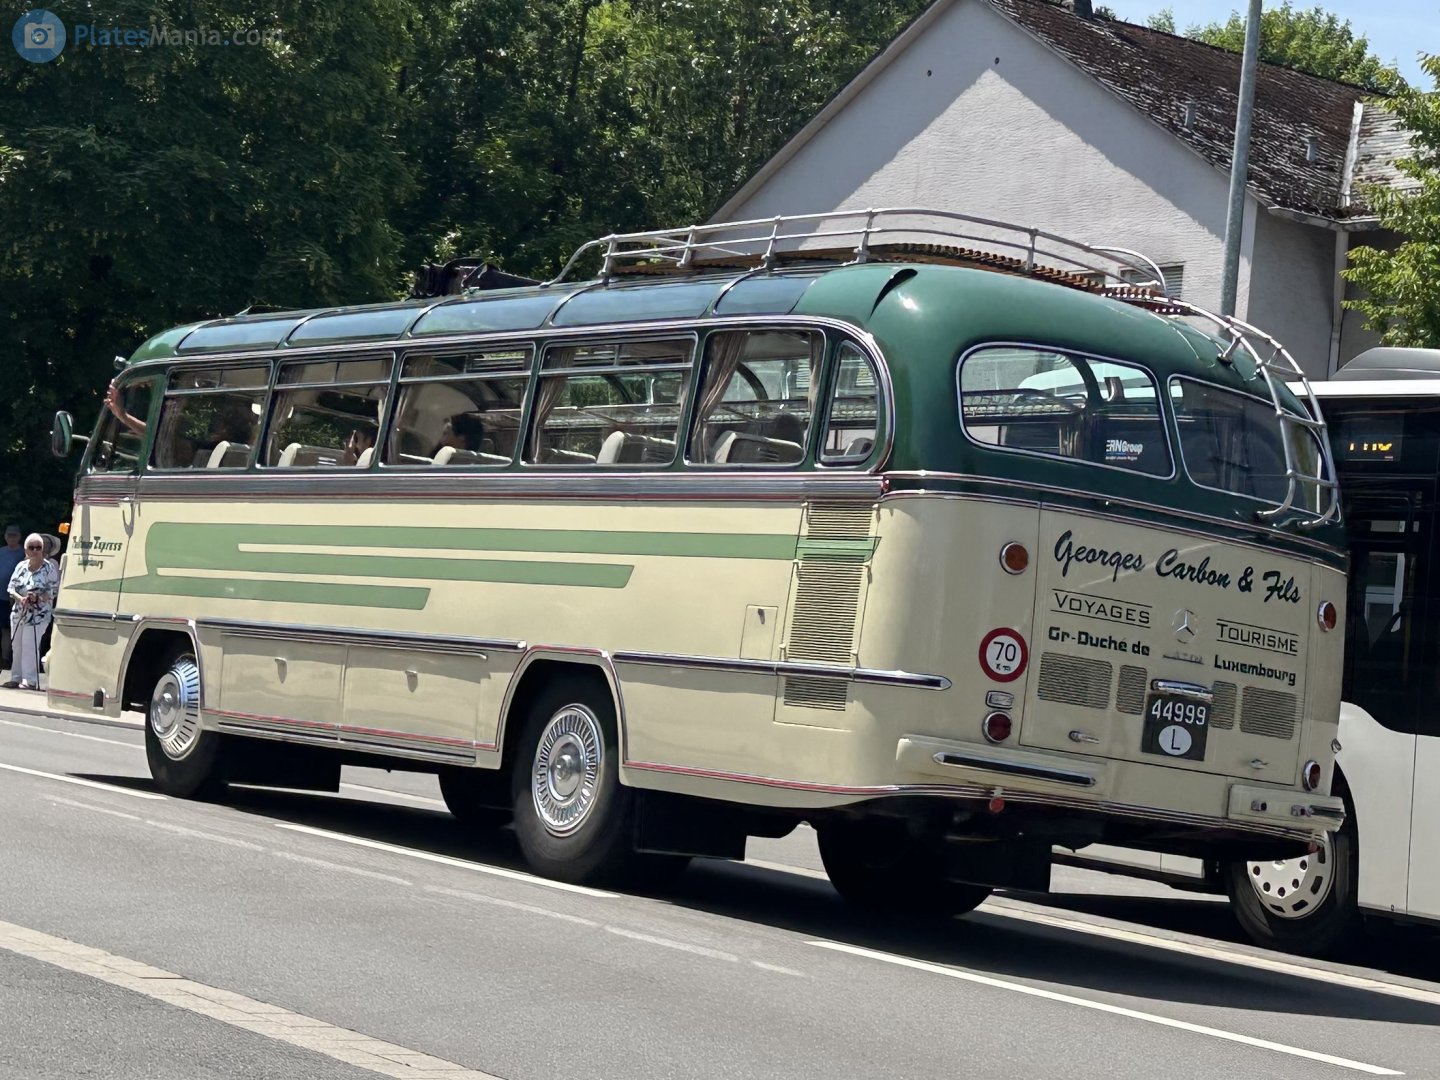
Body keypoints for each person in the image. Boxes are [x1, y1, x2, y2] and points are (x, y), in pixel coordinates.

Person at [6, 533, 59, 690]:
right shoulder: (21, 566)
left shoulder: (49, 567)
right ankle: (15, 678)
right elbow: (11, 588)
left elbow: (54, 590)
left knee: (29, 645)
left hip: (39, 614)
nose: (35, 550)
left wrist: (39, 597)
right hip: (19, 612)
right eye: (31, 547)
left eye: (38, 547)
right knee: (17, 645)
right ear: (25, 549)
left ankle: (30, 680)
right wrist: (20, 598)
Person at [0, 526, 22, 671]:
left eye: (14, 535)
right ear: (5, 536)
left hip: (12, 598)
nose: (11, 538)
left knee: (8, 630)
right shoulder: (1, 551)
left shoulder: (23, 553)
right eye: (9, 535)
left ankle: (6, 659)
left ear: (19, 537)